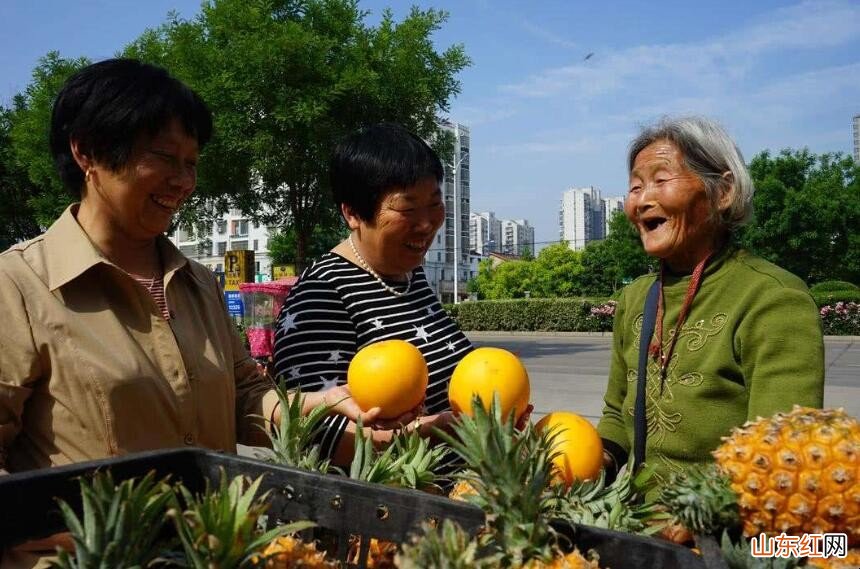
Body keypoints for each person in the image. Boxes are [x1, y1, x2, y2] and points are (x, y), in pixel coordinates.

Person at [0, 58, 377, 479]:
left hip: (215, 543)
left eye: (191, 163)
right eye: (164, 157)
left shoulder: (199, 283)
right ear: (86, 150)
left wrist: (319, 404)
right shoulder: (18, 286)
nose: (183, 181)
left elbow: (244, 397)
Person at [597, 116, 824, 491]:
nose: (643, 200)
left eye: (661, 179)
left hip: (722, 538)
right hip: (634, 531)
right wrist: (587, 461)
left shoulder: (773, 298)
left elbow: (779, 455)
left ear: (723, 191)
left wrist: (701, 521)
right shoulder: (635, 297)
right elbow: (616, 415)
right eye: (636, 186)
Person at [272, 123, 474, 466]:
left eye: (435, 203)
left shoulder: (410, 272)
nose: (426, 224)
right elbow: (313, 436)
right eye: (407, 209)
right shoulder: (322, 294)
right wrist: (441, 430)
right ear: (352, 213)